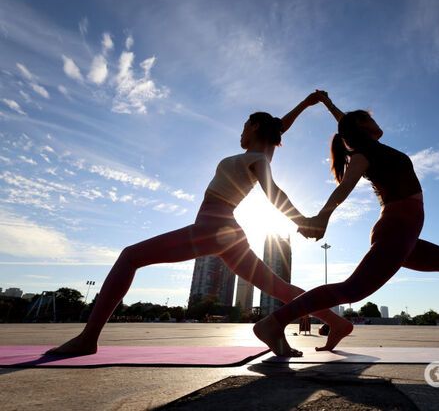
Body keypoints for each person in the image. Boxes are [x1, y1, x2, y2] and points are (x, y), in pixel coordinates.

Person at [46, 93, 352, 357]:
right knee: (279, 287)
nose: (241, 133)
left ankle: (88, 339)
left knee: (130, 256)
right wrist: (308, 103)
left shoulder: (258, 158)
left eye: (244, 126)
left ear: (255, 126)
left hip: (212, 229)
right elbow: (278, 126)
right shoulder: (260, 151)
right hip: (227, 233)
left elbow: (273, 192)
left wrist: (304, 221)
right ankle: (337, 322)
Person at [254, 91, 439, 356]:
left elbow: (346, 123)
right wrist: (323, 216)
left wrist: (328, 104)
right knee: (352, 290)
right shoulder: (362, 154)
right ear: (361, 126)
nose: (374, 121)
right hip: (396, 230)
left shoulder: (367, 146)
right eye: (368, 118)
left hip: (405, 234)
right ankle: (273, 323)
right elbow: (344, 187)